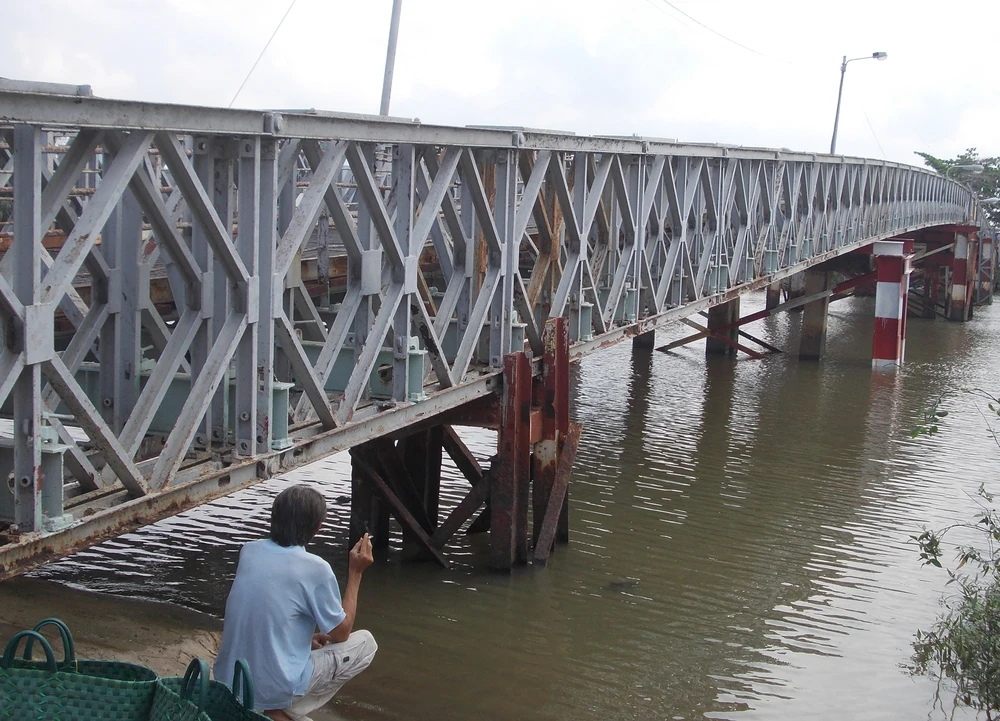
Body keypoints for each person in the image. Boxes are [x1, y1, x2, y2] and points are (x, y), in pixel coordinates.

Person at [214, 484, 376, 721]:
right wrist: (355, 573)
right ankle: (281, 710)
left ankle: (278, 708)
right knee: (366, 643)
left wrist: (303, 641)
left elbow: (266, 612)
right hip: (273, 688)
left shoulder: (249, 551)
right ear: (317, 528)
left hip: (229, 681)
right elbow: (342, 633)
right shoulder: (316, 569)